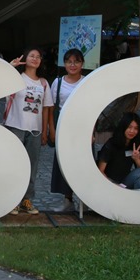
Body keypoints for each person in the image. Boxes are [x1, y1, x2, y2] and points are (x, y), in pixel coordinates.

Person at [5, 47, 53, 215]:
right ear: (25, 58)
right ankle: (12, 199)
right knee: (15, 165)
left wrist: (45, 131)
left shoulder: (43, 83)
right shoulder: (16, 78)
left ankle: (27, 199)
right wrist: (11, 66)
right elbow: (0, 84)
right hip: (15, 126)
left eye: (38, 56)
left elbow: (46, 108)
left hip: (35, 130)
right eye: (32, 56)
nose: (35, 59)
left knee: (32, 165)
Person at [49, 48, 85, 211]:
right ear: (64, 64)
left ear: (82, 64)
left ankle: (86, 200)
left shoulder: (87, 81)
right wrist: (52, 129)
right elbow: (51, 108)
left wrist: (92, 132)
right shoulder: (58, 82)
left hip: (82, 127)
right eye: (69, 61)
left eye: (76, 61)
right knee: (64, 163)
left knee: (83, 162)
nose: (73, 65)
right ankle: (67, 199)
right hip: (63, 127)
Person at [96, 112, 140, 189]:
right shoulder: (111, 144)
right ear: (123, 127)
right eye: (129, 127)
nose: (132, 131)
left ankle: (139, 196)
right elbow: (100, 171)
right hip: (109, 182)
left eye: (136, 128)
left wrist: (137, 159)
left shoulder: (136, 144)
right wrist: (113, 186)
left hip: (125, 182)